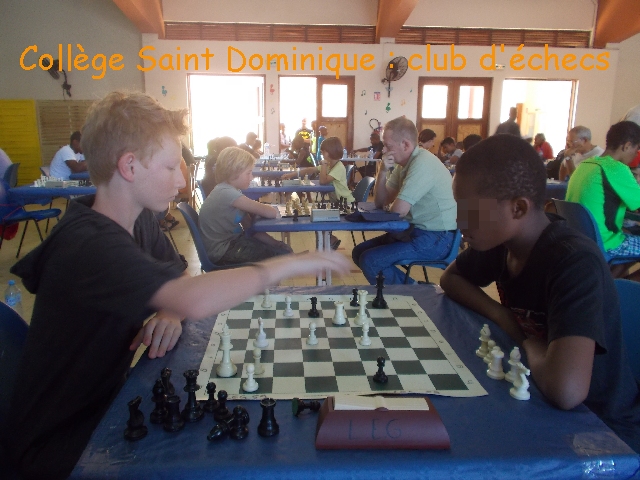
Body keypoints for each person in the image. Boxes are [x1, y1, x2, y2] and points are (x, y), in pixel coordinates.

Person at [2, 91, 350, 480]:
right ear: (129, 166)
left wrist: (169, 309)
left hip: (106, 405)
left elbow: (180, 280)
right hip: (60, 443)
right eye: (171, 167)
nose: (183, 180)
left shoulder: (136, 219)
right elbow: (193, 298)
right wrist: (291, 263)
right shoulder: (89, 243)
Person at [439, 134, 640, 453]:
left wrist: (529, 344)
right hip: (538, 399)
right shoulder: (503, 241)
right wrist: (503, 317)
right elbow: (451, 278)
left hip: (602, 431)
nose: (459, 220)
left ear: (518, 208)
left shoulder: (574, 262)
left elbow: (566, 391)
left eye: (470, 210)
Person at [352, 117, 457, 284]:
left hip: (438, 238)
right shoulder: (403, 165)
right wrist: (382, 171)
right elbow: (381, 202)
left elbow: (398, 212)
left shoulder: (422, 163)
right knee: (359, 252)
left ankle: (416, 292)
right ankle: (411, 288)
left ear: (406, 145)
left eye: (388, 146)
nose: (384, 150)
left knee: (371, 260)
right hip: (415, 232)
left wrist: (391, 207)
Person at [566, 121, 640, 280]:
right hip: (604, 243)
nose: (636, 154)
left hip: (580, 241)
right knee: (628, 238)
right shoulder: (616, 168)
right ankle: (620, 290)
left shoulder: (585, 165)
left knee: (627, 235)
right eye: (637, 149)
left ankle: (606, 285)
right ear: (627, 146)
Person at [199, 146, 293, 265]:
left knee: (282, 251)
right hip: (223, 251)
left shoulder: (230, 190)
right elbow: (271, 213)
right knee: (282, 257)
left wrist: (276, 243)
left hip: (232, 244)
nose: (252, 177)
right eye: (248, 173)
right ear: (234, 173)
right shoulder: (227, 193)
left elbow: (250, 229)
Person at [282, 136, 355, 249]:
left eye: (323, 151)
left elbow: (323, 181)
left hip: (345, 204)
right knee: (317, 217)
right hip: (335, 202)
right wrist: (291, 175)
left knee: (318, 218)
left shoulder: (339, 167)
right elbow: (309, 169)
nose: (321, 154)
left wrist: (324, 165)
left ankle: (329, 242)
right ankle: (329, 241)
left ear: (330, 152)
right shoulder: (330, 165)